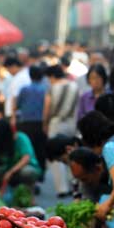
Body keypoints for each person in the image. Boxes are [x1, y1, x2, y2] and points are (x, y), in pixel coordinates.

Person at [43, 64, 80, 197]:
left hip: (56, 122)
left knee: (56, 155)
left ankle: (62, 188)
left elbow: (47, 108)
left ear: (52, 76)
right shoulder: (74, 85)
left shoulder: (52, 88)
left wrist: (45, 123)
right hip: (71, 122)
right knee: (72, 152)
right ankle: (75, 182)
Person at [0, 119, 41, 194]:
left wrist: (10, 172)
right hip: (7, 169)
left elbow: (26, 159)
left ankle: (29, 193)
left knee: (27, 172)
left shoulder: (21, 138)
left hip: (22, 169)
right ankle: (1, 194)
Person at [14, 65, 47, 177]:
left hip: (26, 123)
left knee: (29, 148)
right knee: (41, 148)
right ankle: (41, 172)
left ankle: (30, 170)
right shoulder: (45, 89)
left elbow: (17, 105)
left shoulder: (24, 89)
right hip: (40, 123)